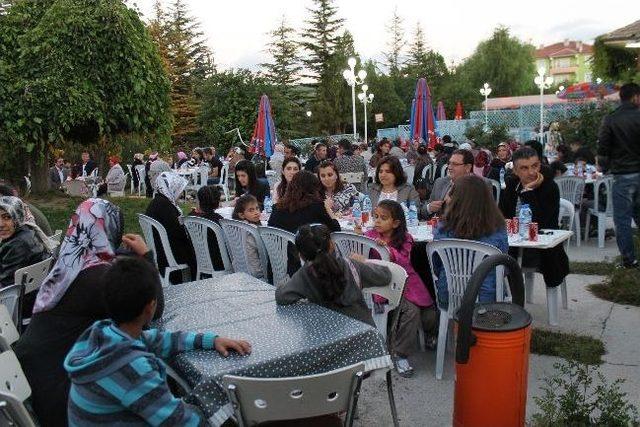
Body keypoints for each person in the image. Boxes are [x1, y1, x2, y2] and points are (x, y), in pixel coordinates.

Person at [13, 198, 161, 427]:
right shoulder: (99, 279)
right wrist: (146, 257)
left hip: (32, 372)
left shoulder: (69, 263)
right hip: (57, 393)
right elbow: (152, 309)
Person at [64, 257, 251, 426]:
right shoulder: (132, 368)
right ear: (150, 307)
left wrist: (211, 340)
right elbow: (180, 423)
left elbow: (158, 339)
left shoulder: (103, 333)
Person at [362, 200, 435, 377]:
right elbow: (361, 255)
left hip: (406, 282)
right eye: (376, 216)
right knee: (411, 312)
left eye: (383, 218)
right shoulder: (369, 236)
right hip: (382, 285)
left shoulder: (405, 238)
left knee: (430, 311)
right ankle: (401, 354)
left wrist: (387, 248)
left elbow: (403, 261)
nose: (377, 220)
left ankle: (428, 334)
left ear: (395, 223)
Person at [276, 224, 392, 326]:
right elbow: (386, 276)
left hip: (329, 339)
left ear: (301, 255)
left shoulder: (305, 274)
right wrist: (365, 262)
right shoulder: (351, 265)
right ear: (331, 245)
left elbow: (282, 297)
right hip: (365, 336)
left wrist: (283, 283)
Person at [432, 175, 509, 308]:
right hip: (488, 298)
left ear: (456, 200)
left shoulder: (443, 229)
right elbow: (503, 266)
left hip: (449, 295)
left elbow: (436, 265)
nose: (446, 199)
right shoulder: (497, 229)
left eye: (450, 195)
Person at [499, 147, 569, 287]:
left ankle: (515, 301)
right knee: (491, 258)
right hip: (514, 244)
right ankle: (509, 301)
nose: (532, 172)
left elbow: (541, 222)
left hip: (541, 248)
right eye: (524, 168)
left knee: (508, 263)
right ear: (515, 171)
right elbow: (502, 215)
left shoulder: (550, 187)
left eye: (535, 166)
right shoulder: (512, 184)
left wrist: (528, 191)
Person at [597, 82, 640, 269]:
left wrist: (605, 168)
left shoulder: (612, 119)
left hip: (622, 175)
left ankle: (629, 260)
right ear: (635, 97)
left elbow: (603, 147)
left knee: (622, 220)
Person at [145, 171, 196, 281]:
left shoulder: (157, 201)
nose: (180, 194)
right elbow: (178, 231)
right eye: (179, 190)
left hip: (159, 250)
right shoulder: (165, 206)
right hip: (169, 254)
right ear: (171, 187)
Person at [423, 149, 492, 218]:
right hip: (438, 226)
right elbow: (422, 212)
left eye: (455, 164)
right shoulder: (440, 182)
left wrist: (454, 205)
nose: (449, 167)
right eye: (449, 163)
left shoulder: (482, 185)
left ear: (468, 167)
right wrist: (429, 208)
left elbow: (485, 215)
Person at [0, 196, 51, 287]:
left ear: (17, 217)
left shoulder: (17, 245)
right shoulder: (29, 230)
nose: (1, 224)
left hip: (17, 297)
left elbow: (5, 285)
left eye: (7, 217)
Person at [268, 171, 340, 233]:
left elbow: (269, 231)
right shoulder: (316, 208)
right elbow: (336, 230)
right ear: (313, 189)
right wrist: (328, 208)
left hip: (280, 248)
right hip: (309, 248)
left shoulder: (277, 208)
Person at [189, 186, 225, 271]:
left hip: (197, 261)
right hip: (219, 263)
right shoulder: (217, 220)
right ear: (217, 203)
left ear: (199, 201)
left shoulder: (191, 217)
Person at [232, 194, 264, 279]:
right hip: (257, 271)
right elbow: (264, 249)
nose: (256, 212)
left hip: (238, 268)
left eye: (257, 208)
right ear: (241, 215)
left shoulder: (234, 227)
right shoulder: (252, 230)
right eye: (251, 210)